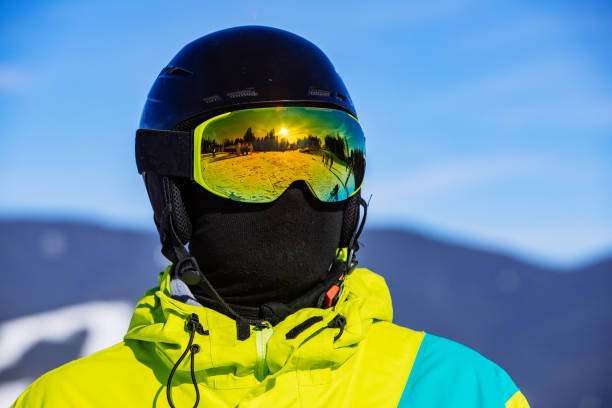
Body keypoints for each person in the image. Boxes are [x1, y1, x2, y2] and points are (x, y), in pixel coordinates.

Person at [11, 26, 529, 408]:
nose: (294, 195)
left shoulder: (464, 392)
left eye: (325, 163)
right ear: (172, 193)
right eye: (243, 165)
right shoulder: (65, 400)